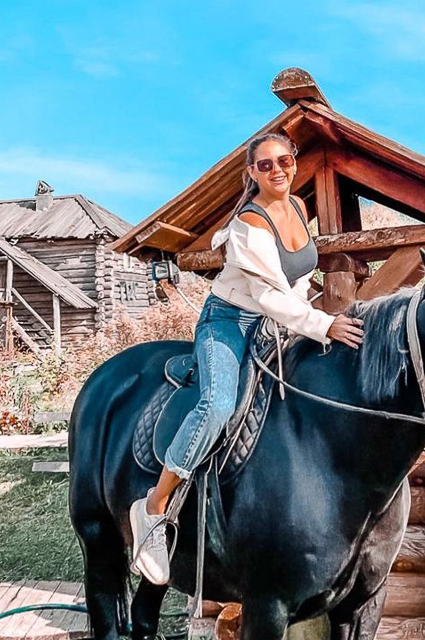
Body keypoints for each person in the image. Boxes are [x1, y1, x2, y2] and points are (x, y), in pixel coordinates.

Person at [129, 132, 365, 584]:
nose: (278, 170)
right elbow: (268, 295)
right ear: (251, 174)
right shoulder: (248, 227)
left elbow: (292, 282)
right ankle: (155, 507)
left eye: (284, 160)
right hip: (229, 322)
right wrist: (321, 323)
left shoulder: (296, 207)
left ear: (295, 161)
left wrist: (320, 316)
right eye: (265, 165)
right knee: (218, 405)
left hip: (273, 320)